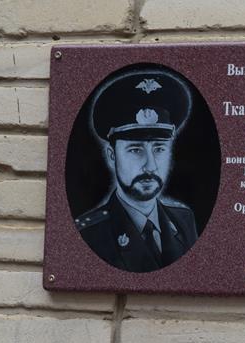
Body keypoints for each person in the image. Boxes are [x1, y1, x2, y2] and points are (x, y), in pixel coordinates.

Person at [74, 67, 199, 273]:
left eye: (159, 149)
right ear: (112, 155)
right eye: (135, 150)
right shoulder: (88, 233)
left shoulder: (184, 220)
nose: (150, 165)